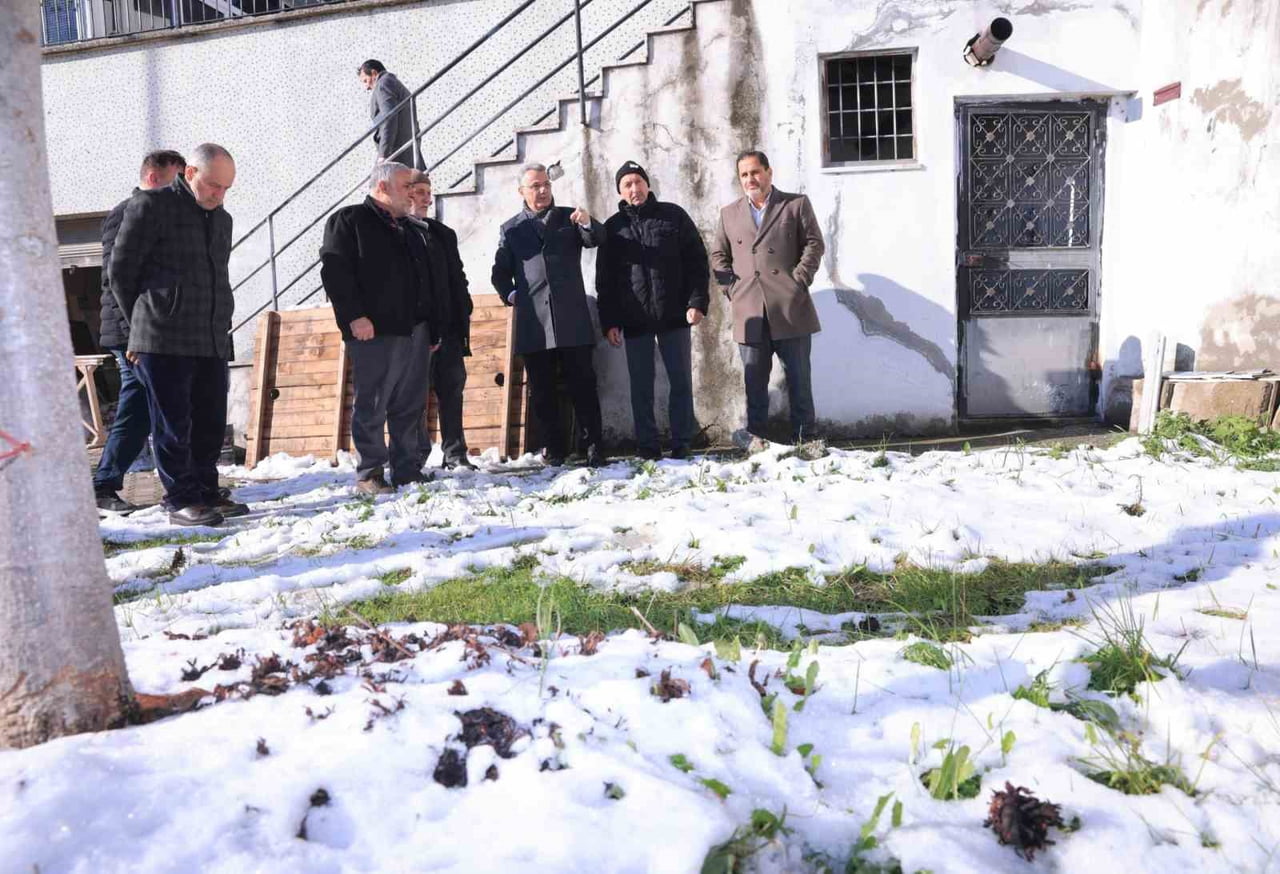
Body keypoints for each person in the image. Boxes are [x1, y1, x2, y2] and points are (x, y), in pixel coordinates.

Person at [110, 143, 247, 526]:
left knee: (209, 422)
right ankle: (180, 499)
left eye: (225, 189)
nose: (218, 195)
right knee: (173, 424)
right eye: (212, 185)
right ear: (189, 174)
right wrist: (139, 327)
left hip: (210, 335)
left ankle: (206, 490)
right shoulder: (151, 207)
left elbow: (216, 274)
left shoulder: (223, 219)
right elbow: (121, 272)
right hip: (162, 334)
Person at [320, 161, 441, 494]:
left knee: (410, 405)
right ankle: (370, 473)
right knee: (372, 403)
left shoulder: (408, 228)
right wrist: (354, 316)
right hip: (374, 331)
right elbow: (335, 272)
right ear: (383, 187)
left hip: (415, 330)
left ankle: (406, 469)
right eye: (405, 187)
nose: (411, 193)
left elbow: (426, 280)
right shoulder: (349, 221)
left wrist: (432, 327)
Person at [491, 163, 606, 467]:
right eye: (534, 186)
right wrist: (514, 296)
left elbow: (597, 239)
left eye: (545, 185)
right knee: (542, 392)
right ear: (522, 192)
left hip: (572, 319)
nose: (542, 191)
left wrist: (588, 223)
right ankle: (553, 449)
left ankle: (593, 445)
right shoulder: (511, 228)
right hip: (534, 325)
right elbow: (500, 273)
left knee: (583, 384)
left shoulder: (569, 217)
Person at [710, 150, 825, 449]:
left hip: (790, 307)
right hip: (749, 309)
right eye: (744, 175)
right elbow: (718, 256)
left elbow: (814, 243)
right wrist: (731, 290)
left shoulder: (795, 204)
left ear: (769, 172)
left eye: (755, 172)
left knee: (799, 379)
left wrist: (799, 279)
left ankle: (806, 438)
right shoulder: (729, 213)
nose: (751, 179)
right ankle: (757, 441)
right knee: (754, 383)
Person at [93, 149, 185, 514]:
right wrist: (136, 335)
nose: (181, 188)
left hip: (151, 331)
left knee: (148, 407)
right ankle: (103, 485)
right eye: (175, 179)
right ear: (153, 177)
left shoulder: (165, 215)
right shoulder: (129, 212)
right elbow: (117, 278)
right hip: (131, 332)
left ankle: (176, 484)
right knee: (139, 407)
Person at [596, 161, 709, 460]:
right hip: (635, 321)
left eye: (638, 182)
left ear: (647, 183)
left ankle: (682, 442)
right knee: (641, 387)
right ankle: (647, 445)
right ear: (620, 192)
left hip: (674, 316)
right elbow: (604, 281)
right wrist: (609, 322)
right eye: (627, 185)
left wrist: (696, 303)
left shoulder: (674, 216)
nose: (635, 189)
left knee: (681, 382)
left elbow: (697, 261)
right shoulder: (613, 228)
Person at [406, 170, 476, 470]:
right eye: (420, 191)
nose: (426, 198)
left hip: (448, 329)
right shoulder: (397, 231)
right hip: (416, 332)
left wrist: (464, 307)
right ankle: (415, 456)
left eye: (428, 191)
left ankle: (455, 453)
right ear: (405, 193)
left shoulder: (443, 234)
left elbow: (456, 277)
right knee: (414, 396)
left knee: (452, 389)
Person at [358, 59, 421, 169]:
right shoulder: (391, 82)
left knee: (379, 183)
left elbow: (389, 117)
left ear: (374, 73)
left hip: (396, 152)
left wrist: (383, 154)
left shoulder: (383, 83)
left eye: (365, 80)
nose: (366, 87)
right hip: (403, 151)